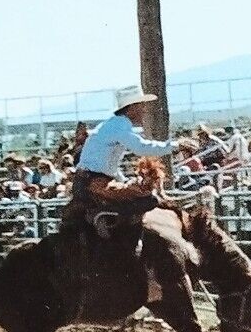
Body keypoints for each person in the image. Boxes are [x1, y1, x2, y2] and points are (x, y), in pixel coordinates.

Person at [62, 84, 176, 239]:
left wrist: (122, 180)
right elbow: (142, 148)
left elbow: (106, 164)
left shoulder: (113, 124)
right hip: (94, 184)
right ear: (133, 107)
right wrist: (174, 146)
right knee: (148, 199)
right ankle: (100, 214)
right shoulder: (120, 126)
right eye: (141, 106)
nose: (144, 110)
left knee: (140, 195)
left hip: (88, 182)